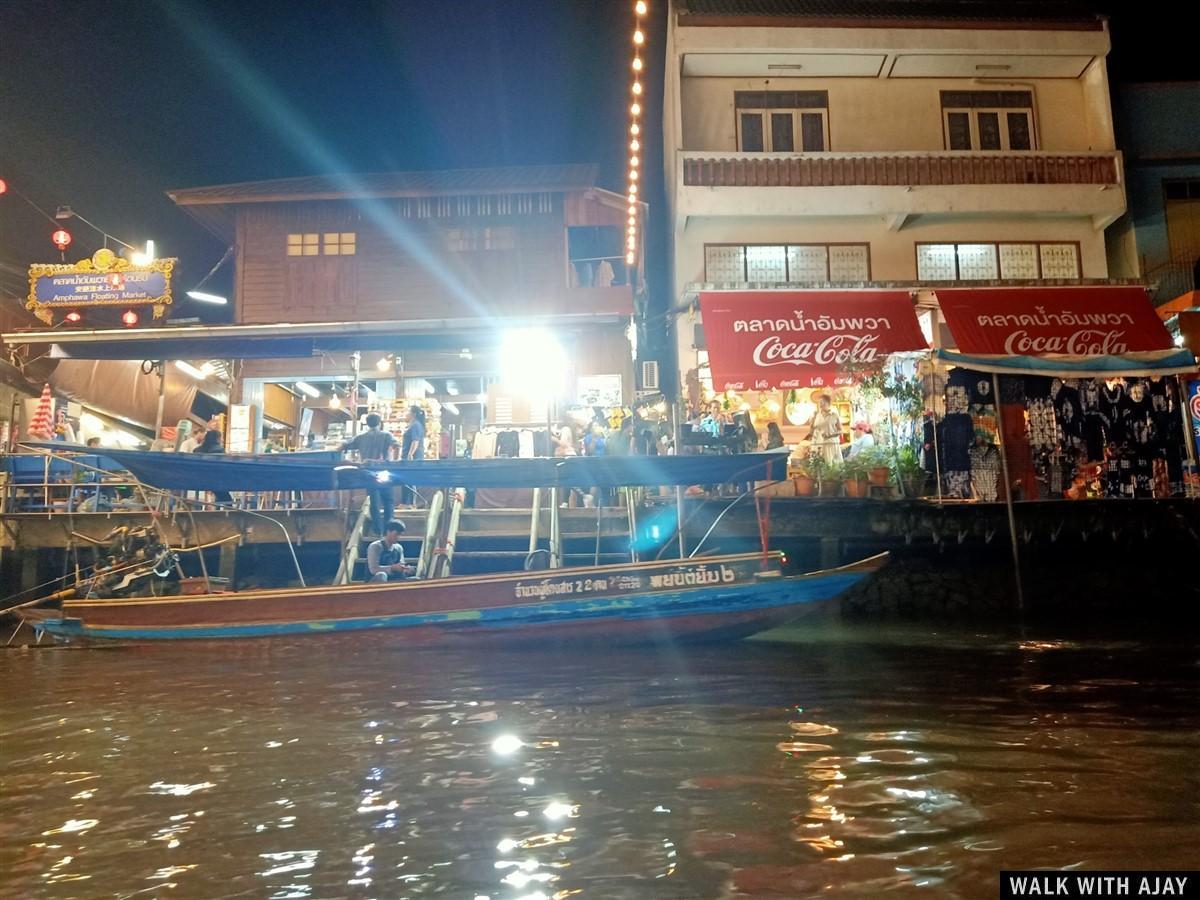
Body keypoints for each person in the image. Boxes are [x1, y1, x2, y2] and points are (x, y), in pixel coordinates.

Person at [343, 413, 398, 533]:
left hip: (368, 472)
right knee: (388, 500)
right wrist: (392, 459)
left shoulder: (360, 437)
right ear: (379, 423)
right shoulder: (387, 435)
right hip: (384, 470)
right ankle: (389, 528)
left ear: (367, 423)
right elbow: (396, 445)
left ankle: (378, 530)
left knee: (374, 501)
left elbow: (345, 445)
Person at [193, 429, 234, 506]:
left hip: (197, 479)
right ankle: (228, 509)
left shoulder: (197, 450)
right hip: (214, 479)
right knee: (225, 495)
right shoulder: (219, 450)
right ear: (217, 439)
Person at [808, 395, 843, 466]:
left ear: (828, 403)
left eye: (823, 402)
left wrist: (831, 434)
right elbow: (811, 432)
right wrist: (812, 421)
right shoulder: (816, 415)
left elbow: (841, 431)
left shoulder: (834, 415)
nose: (821, 404)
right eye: (819, 402)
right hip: (818, 444)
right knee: (818, 465)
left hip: (830, 443)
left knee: (831, 465)